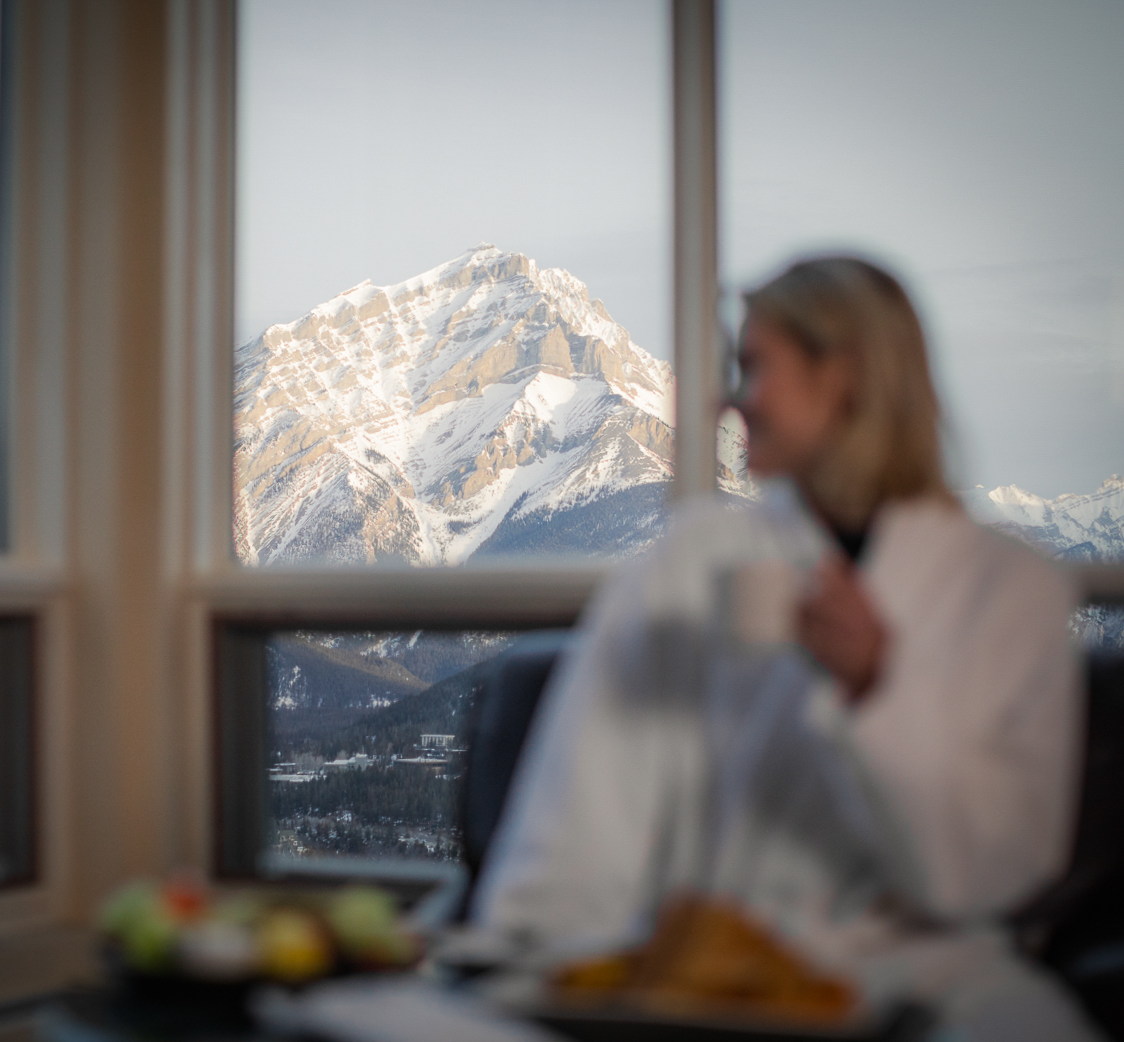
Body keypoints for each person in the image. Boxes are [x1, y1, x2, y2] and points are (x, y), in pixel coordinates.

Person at [470, 258, 1100, 1040]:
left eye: (756, 367)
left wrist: (878, 689)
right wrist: (540, 963)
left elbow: (984, 879)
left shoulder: (1011, 593)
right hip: (702, 983)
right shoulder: (692, 562)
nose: (730, 400)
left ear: (846, 376)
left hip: (930, 988)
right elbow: (585, 811)